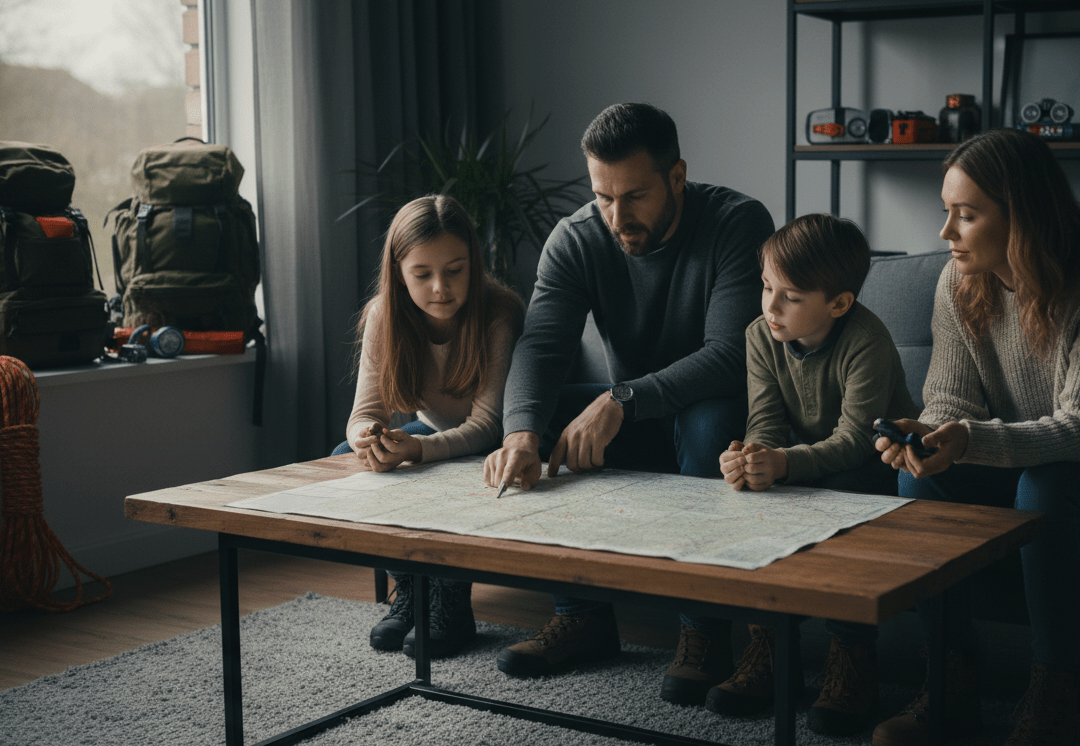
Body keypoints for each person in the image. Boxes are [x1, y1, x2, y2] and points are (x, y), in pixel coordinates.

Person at [870, 129, 1080, 746]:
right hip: (1040, 461)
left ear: (1020, 215)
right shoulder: (957, 283)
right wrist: (931, 439)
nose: (946, 232)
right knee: (918, 483)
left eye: (966, 215)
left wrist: (969, 440)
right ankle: (951, 684)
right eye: (947, 211)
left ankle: (1053, 702)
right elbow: (952, 405)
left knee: (1047, 487)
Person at [481, 103, 775, 703]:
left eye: (635, 196)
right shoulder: (578, 237)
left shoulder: (737, 222)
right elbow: (540, 346)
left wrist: (622, 398)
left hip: (713, 415)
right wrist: (520, 436)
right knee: (544, 415)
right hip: (638, 416)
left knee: (711, 420)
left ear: (677, 176)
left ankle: (704, 629)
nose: (617, 216)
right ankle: (583, 615)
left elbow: (728, 355)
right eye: (603, 197)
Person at [710, 213, 918, 735]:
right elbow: (766, 420)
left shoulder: (865, 338)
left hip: (870, 469)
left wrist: (783, 463)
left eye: (791, 296)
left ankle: (852, 657)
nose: (770, 306)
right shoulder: (762, 335)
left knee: (842, 500)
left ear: (839, 303)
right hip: (802, 463)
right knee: (754, 496)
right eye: (765, 287)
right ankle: (770, 644)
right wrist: (753, 456)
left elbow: (856, 440)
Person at [331, 194, 523, 660]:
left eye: (455, 270)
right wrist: (368, 440)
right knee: (344, 456)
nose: (441, 287)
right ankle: (412, 590)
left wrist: (416, 451)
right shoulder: (384, 315)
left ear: (473, 265)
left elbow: (487, 425)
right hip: (437, 434)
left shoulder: (500, 311)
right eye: (422, 275)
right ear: (398, 273)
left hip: (502, 443)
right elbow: (365, 413)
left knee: (445, 468)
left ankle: (451, 601)